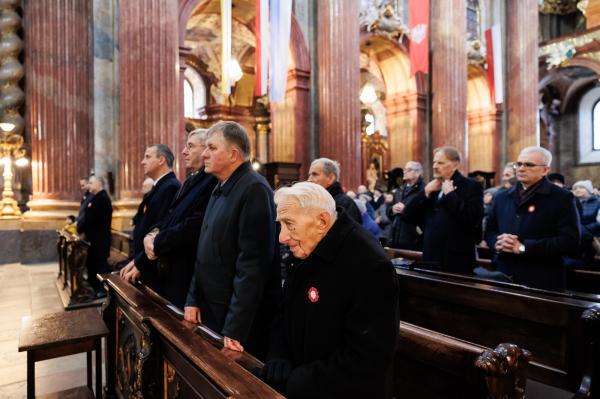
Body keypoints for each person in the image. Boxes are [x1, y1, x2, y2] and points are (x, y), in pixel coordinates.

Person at [257, 181, 398, 398]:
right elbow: (283, 313)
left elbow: (365, 359)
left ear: (322, 221)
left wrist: (297, 380)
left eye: (290, 224)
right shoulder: (309, 247)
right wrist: (278, 356)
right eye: (281, 225)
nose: (282, 237)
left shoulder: (369, 265)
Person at [184, 121, 281, 357]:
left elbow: (253, 266)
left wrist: (235, 328)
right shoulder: (221, 186)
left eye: (212, 148)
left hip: (235, 317)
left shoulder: (254, 189)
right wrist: (192, 298)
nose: (204, 154)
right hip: (210, 307)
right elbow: (204, 249)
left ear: (233, 154)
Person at [139, 129, 218, 309]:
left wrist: (157, 242)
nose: (183, 151)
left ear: (207, 148)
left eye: (190, 146)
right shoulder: (191, 180)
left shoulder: (212, 181)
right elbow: (170, 216)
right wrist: (154, 232)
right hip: (170, 268)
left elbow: (194, 225)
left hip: (185, 272)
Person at [485, 146, 580, 290]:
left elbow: (570, 240)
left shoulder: (562, 197)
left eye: (529, 165)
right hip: (504, 273)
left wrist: (523, 247)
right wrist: (496, 243)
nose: (521, 169)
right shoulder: (502, 196)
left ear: (545, 170)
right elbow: (490, 230)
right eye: (519, 164)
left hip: (542, 277)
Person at [403, 147, 483, 273]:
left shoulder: (471, 186)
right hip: (430, 257)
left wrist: (450, 195)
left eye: (440, 163)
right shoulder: (432, 187)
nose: (435, 166)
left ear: (455, 165)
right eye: (434, 162)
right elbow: (407, 215)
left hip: (456, 261)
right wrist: (425, 193)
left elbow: (472, 220)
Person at [120, 144, 180, 288]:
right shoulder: (160, 187)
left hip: (152, 266)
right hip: (145, 261)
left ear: (161, 160)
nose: (142, 161)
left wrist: (141, 264)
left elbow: (161, 230)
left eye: (147, 157)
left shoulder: (170, 187)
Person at [76, 175, 112, 296]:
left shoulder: (102, 198)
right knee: (92, 264)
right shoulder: (96, 198)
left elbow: (91, 218)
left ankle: (101, 289)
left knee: (99, 265)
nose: (89, 185)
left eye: (91, 183)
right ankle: (93, 286)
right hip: (94, 239)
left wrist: (81, 227)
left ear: (99, 184)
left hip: (100, 240)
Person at [308, 158, 361, 224]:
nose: (309, 179)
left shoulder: (345, 204)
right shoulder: (313, 201)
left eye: (315, 174)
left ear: (330, 178)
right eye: (309, 175)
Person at [389, 161, 424, 250]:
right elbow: (388, 210)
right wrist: (392, 210)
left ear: (418, 172)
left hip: (412, 239)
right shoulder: (400, 189)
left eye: (408, 170)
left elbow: (424, 214)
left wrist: (405, 210)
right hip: (395, 237)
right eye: (404, 169)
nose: (404, 172)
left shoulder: (423, 190)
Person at [572, 180, 600, 263]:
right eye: (575, 188)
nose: (578, 190)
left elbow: (599, 223)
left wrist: (584, 230)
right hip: (575, 237)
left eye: (581, 187)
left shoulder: (598, 202)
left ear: (589, 190)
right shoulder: (571, 202)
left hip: (592, 238)